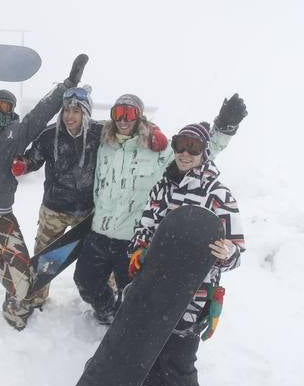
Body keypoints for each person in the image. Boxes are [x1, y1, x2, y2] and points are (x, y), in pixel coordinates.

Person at [0, 53, 88, 332]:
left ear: (11, 112)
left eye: (5, 107)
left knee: (22, 278)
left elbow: (42, 112)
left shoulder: (19, 133)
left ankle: (16, 314)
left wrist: (69, 83)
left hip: (2, 221)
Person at [74, 92, 247, 324]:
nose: (123, 119)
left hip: (132, 236)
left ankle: (124, 324)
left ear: (140, 117)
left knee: (133, 294)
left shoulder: (158, 148)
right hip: (100, 232)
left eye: (130, 113)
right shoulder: (104, 144)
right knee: (85, 281)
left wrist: (224, 128)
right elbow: (76, 127)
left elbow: (197, 151)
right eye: (118, 113)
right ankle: (106, 310)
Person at [126, 122, 245, 386]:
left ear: (204, 151)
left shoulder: (219, 195)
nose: (185, 153)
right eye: (180, 145)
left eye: (193, 147)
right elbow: (146, 225)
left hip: (194, 289)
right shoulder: (162, 187)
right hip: (156, 282)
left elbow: (236, 250)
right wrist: (139, 249)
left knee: (178, 353)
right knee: (151, 343)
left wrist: (228, 253)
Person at [12, 84, 102, 309]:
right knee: (46, 258)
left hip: (89, 212)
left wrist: (153, 135)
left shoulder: (100, 135)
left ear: (86, 112)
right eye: (67, 111)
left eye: (76, 111)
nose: (70, 116)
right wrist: (22, 165)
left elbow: (128, 137)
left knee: (98, 258)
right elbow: (33, 159)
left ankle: (102, 300)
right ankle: (37, 299)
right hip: (54, 209)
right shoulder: (49, 135)